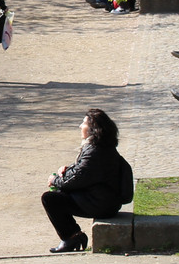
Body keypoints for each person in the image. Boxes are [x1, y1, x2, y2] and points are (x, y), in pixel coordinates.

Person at [41, 108, 134, 253]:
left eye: (83, 123)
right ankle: (73, 235)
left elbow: (75, 179)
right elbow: (80, 171)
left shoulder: (95, 152)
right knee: (59, 194)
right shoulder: (100, 147)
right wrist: (66, 169)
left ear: (93, 129)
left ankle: (71, 237)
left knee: (51, 199)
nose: (80, 126)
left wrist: (55, 180)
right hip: (105, 201)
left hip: (100, 204)